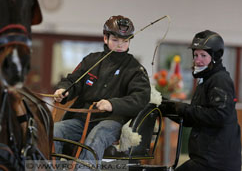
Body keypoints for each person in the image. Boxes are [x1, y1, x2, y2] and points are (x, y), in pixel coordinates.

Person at [53, 15, 151, 167]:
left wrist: (112, 104)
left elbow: (141, 99)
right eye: (115, 40)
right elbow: (73, 81)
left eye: (125, 41)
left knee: (97, 136)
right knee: (55, 131)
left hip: (113, 122)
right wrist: (64, 90)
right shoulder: (91, 60)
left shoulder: (136, 69)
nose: (120, 45)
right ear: (105, 38)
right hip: (82, 119)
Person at [160, 30, 241, 171]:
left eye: (203, 55)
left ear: (216, 56)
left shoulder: (219, 80)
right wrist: (166, 106)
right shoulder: (205, 80)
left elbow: (218, 115)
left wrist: (183, 108)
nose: (198, 60)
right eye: (196, 55)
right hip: (206, 159)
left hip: (215, 163)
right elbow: (194, 118)